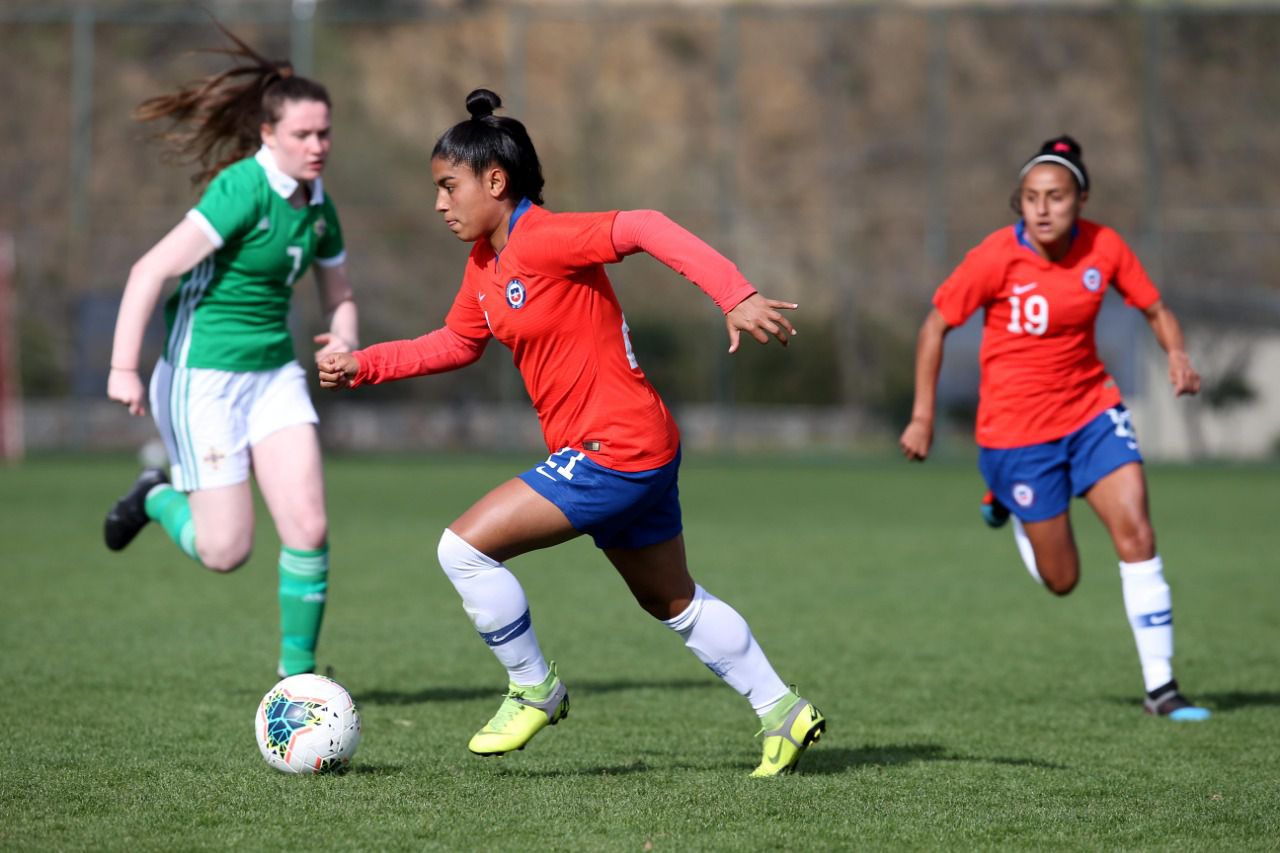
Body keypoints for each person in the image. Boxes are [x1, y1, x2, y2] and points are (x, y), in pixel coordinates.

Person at [318, 89, 824, 775]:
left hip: (614, 449)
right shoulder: (485, 267)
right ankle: (782, 709)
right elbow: (456, 343)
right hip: (635, 446)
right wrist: (363, 365)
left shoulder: (545, 237)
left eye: (448, 186)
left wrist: (733, 294)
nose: (440, 203)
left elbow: (644, 224)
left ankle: (533, 687)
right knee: (669, 599)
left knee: (461, 549)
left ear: (495, 181)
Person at [898, 135, 1209, 721]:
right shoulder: (995, 257)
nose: (1042, 208)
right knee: (1062, 580)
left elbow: (1154, 307)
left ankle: (1162, 689)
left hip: (1092, 411)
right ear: (1020, 202)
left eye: (1056, 197)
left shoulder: (1104, 247)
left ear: (1081, 200)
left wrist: (1176, 353)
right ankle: (1009, 503)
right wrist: (922, 416)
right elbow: (935, 327)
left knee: (1137, 532)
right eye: (1031, 197)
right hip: (1016, 435)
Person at [103, 23, 358, 679]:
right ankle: (156, 496)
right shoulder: (242, 189)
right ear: (268, 134)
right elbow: (147, 271)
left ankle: (297, 678)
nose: (317, 145)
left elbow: (339, 295)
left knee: (308, 524)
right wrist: (123, 368)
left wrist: (347, 335)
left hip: (274, 377)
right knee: (226, 549)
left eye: (324, 132)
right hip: (203, 380)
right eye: (303, 134)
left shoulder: (320, 203)